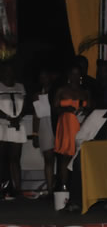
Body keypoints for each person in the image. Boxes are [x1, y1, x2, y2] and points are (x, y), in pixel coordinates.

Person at [60, 94, 107, 213]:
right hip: (90, 155)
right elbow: (79, 138)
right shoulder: (98, 115)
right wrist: (92, 146)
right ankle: (76, 202)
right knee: (80, 159)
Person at [52, 63, 91, 188]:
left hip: (81, 124)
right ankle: (64, 186)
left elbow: (91, 109)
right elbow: (54, 109)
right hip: (67, 125)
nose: (75, 76)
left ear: (81, 76)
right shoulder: (62, 90)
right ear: (69, 75)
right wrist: (65, 109)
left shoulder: (85, 92)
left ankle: (78, 187)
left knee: (80, 156)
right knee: (65, 156)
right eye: (72, 73)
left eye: (77, 73)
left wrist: (85, 111)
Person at [0, 61, 26, 200]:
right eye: (6, 70)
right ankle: (3, 188)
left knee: (15, 158)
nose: (8, 72)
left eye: (11, 70)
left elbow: (25, 105)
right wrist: (7, 117)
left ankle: (17, 188)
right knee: (2, 157)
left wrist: (17, 118)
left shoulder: (20, 86)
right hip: (2, 124)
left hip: (17, 124)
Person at [31, 66, 58, 197]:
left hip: (57, 125)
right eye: (41, 77)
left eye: (46, 76)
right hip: (44, 126)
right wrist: (34, 133)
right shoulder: (37, 95)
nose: (44, 79)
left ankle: (59, 186)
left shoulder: (57, 92)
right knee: (48, 159)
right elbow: (36, 115)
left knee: (60, 157)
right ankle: (50, 189)